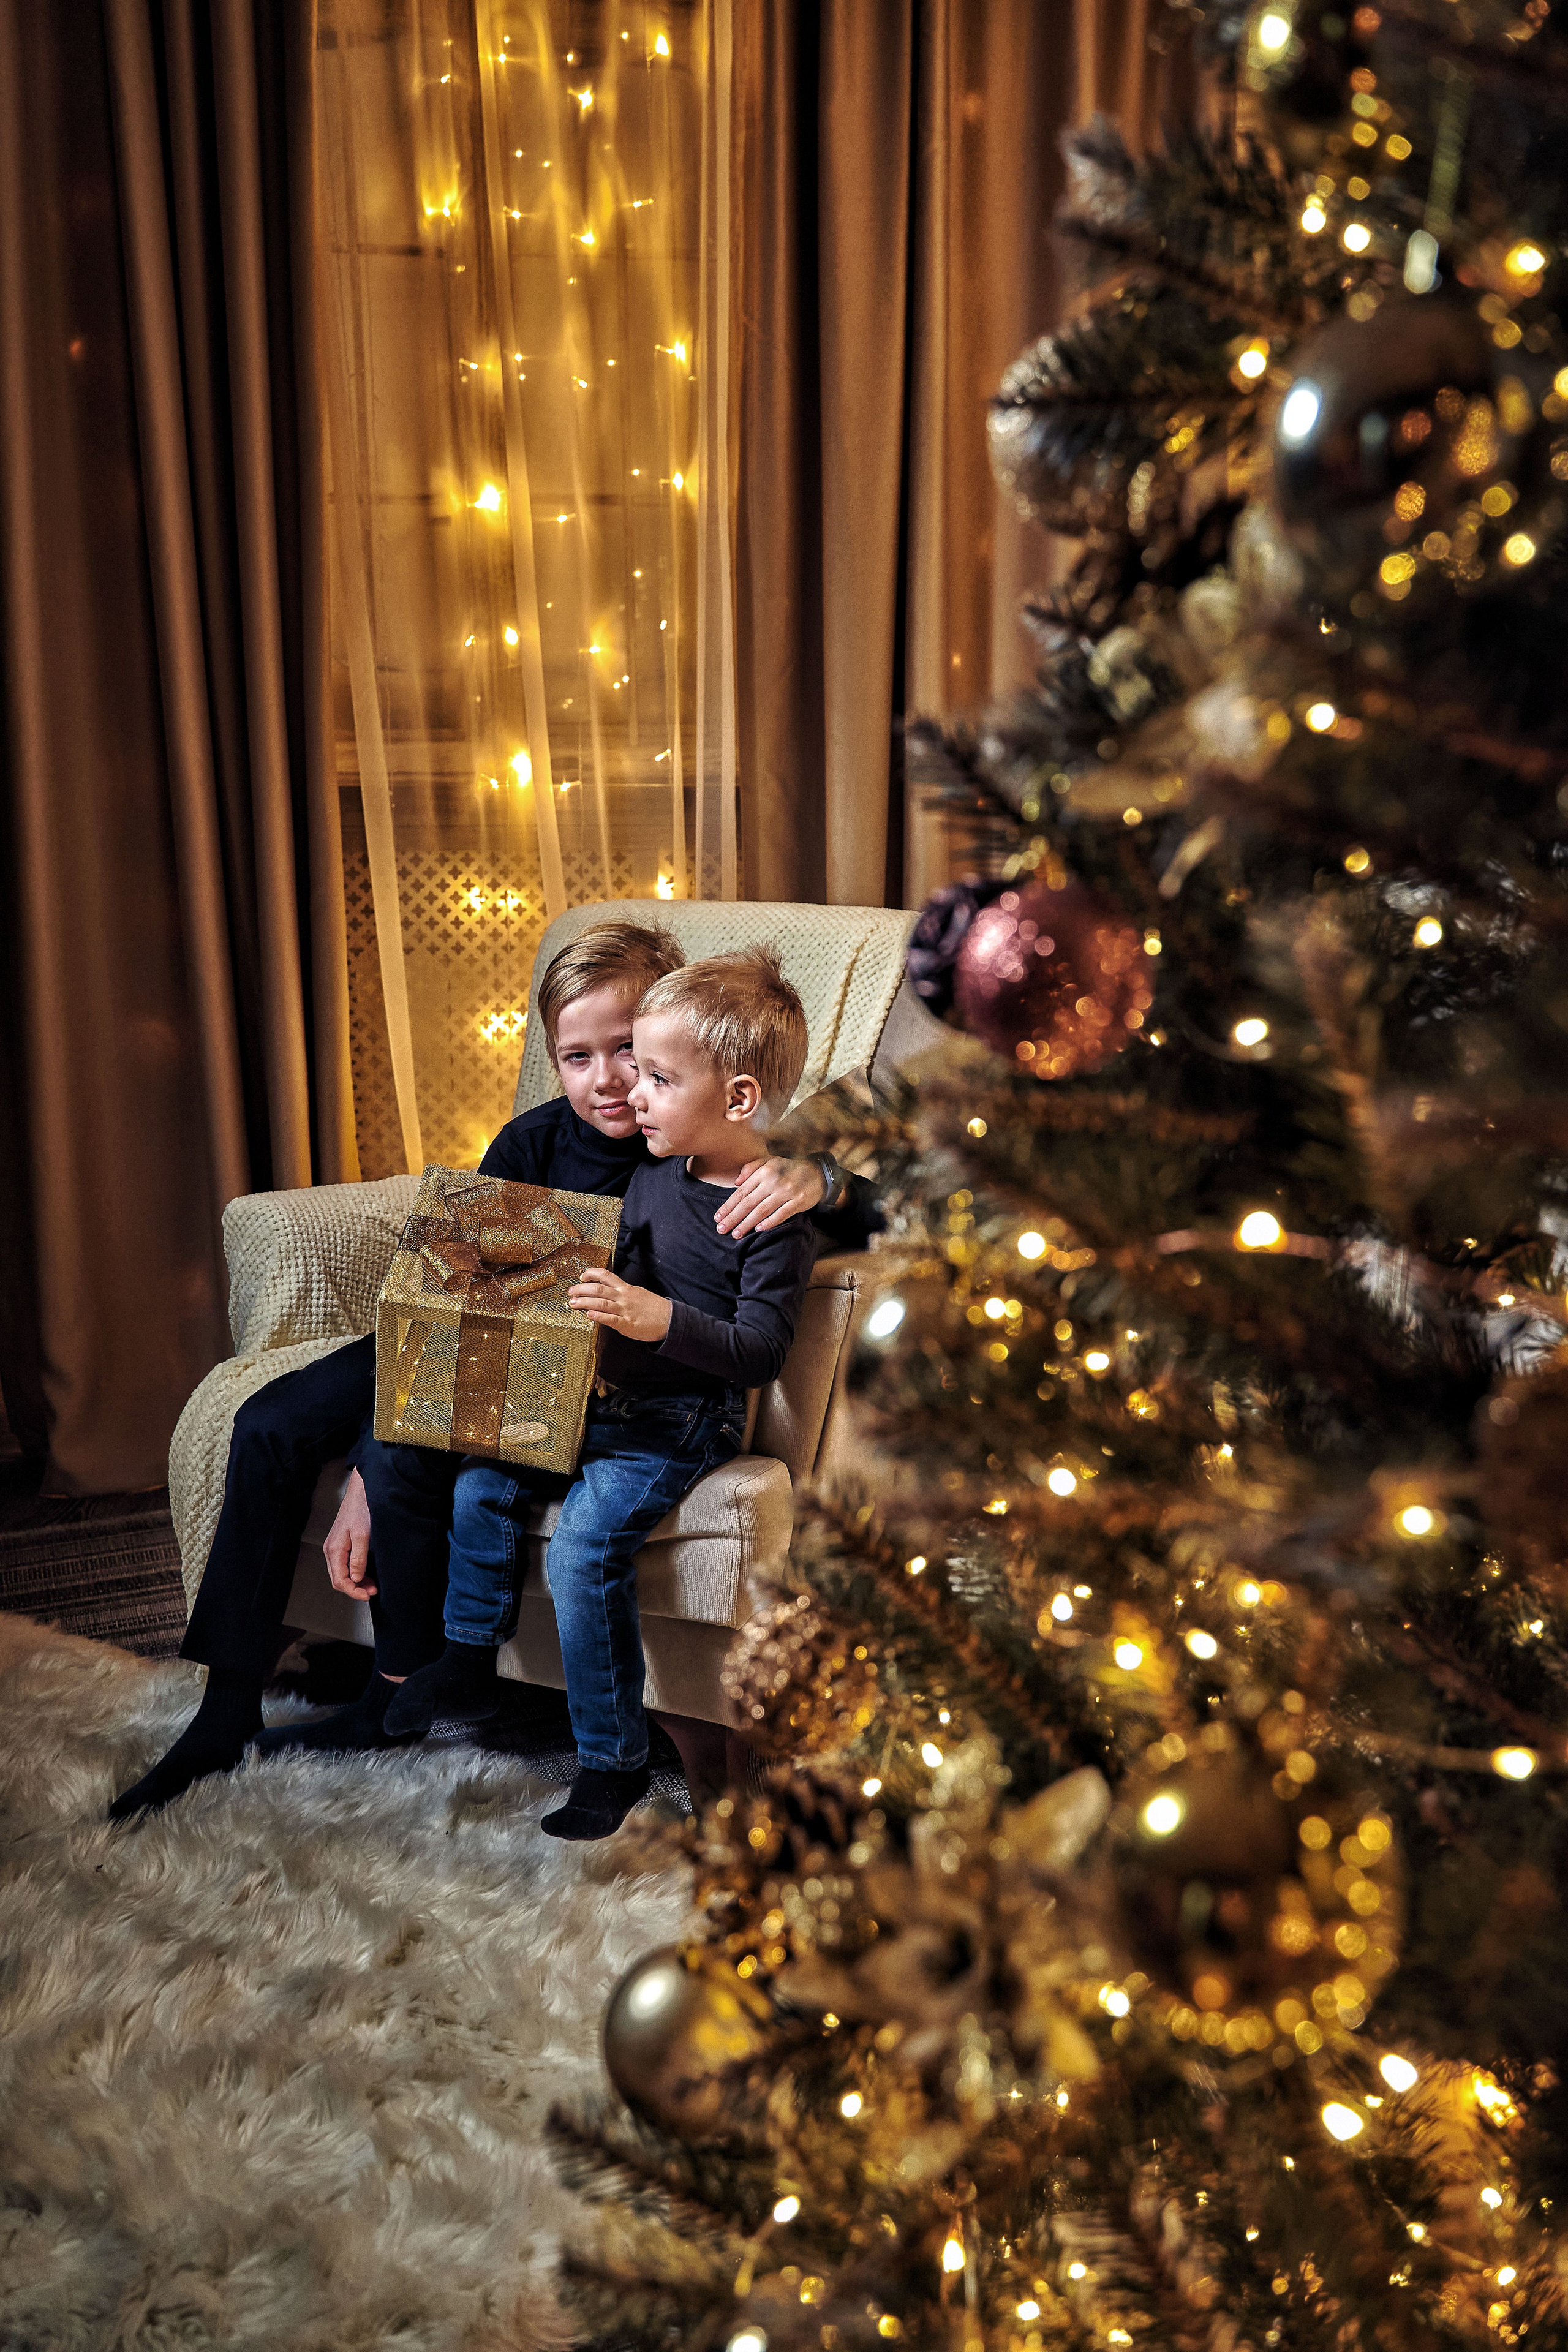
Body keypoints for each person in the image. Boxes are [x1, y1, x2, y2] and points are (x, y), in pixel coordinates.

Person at [109, 922, 851, 1820]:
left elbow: (860, 1184)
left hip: (582, 1380)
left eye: (632, 1052)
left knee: (415, 1450)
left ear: (664, 1034)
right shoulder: (535, 1143)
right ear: (552, 1061)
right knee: (269, 1419)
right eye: (578, 1058)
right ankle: (224, 1709)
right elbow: (456, 1312)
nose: (614, 1082)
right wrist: (366, 1459)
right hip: (478, 1342)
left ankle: (398, 1689)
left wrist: (821, 1177)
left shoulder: (697, 1144)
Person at [383, 946, 818, 1841]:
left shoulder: (773, 1210)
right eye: (618, 1066)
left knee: (583, 1554)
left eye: (656, 1076)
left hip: (680, 1425)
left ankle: (611, 1761)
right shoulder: (659, 1163)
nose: (632, 1093)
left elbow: (761, 1346)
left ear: (738, 1099)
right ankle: (468, 1656)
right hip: (600, 1404)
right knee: (481, 1483)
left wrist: (658, 1319)